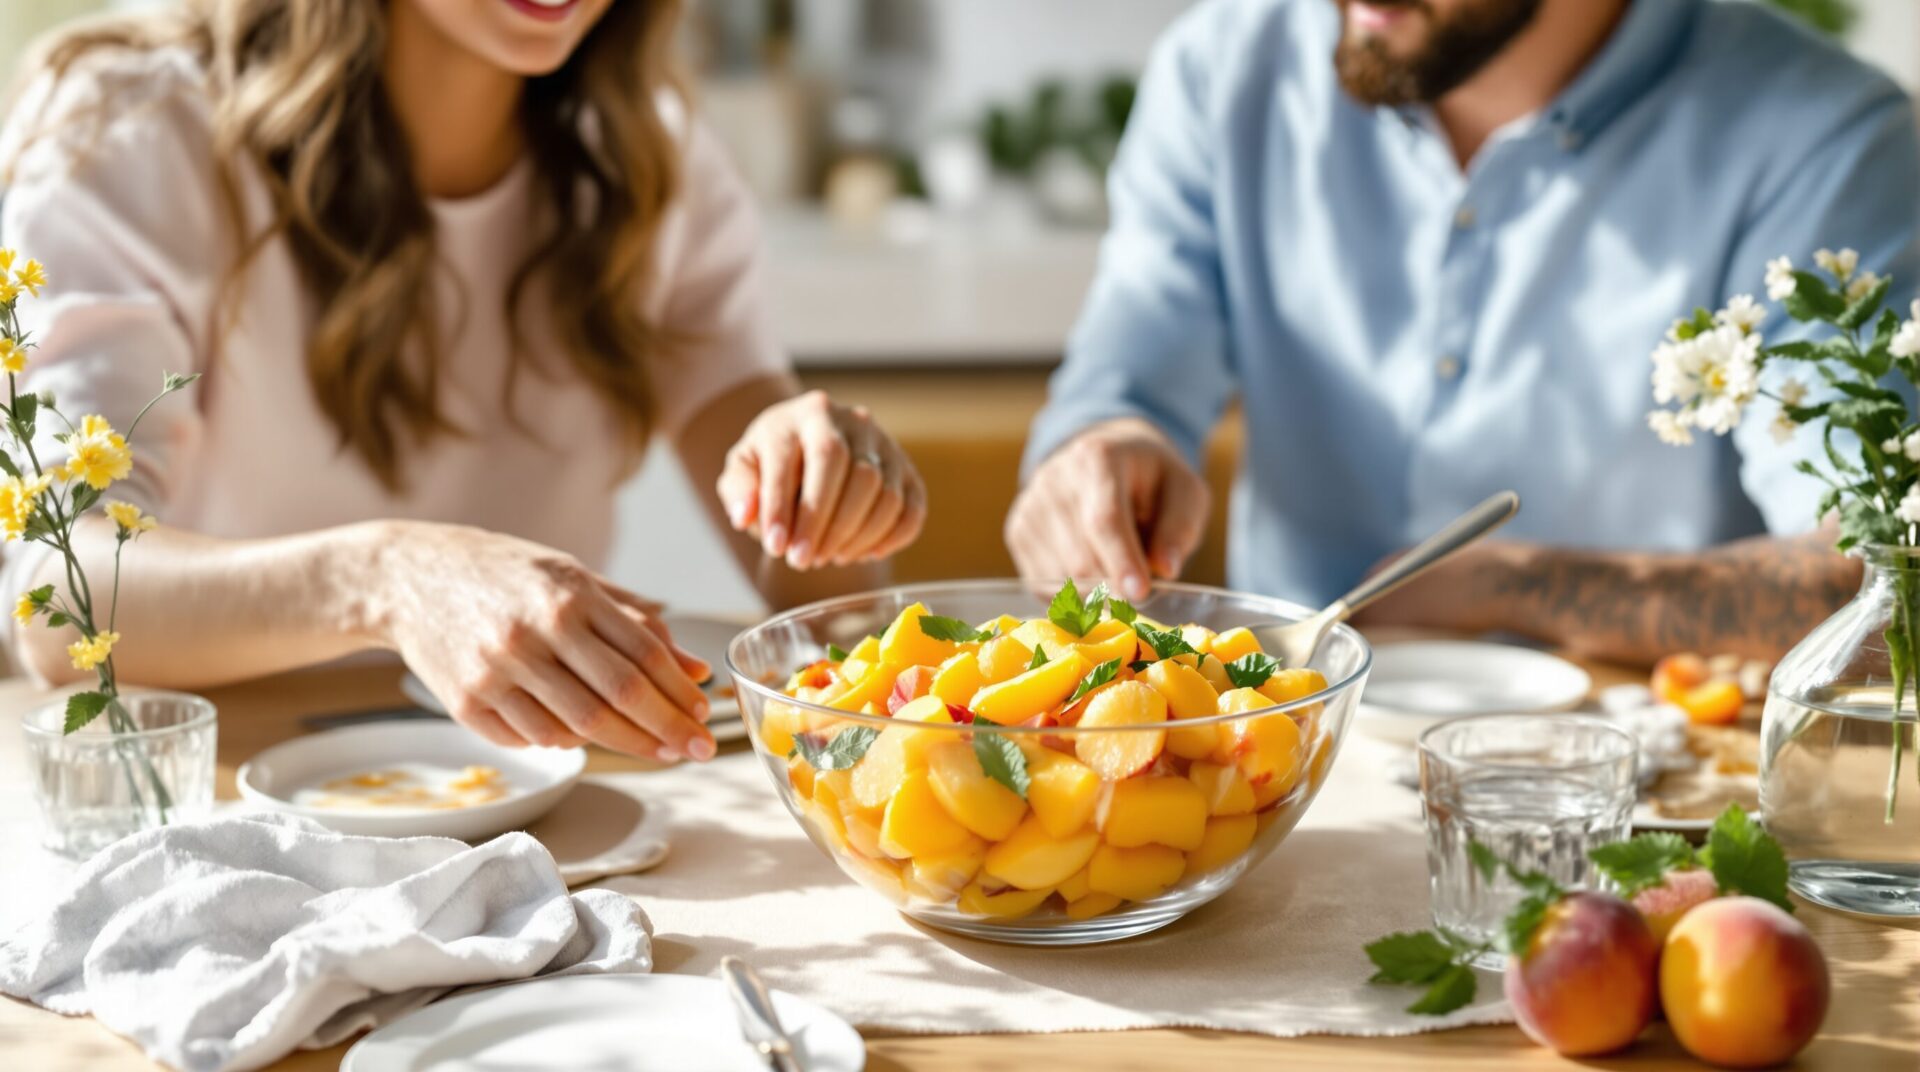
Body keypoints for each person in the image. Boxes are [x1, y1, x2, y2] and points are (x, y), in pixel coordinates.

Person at [0, 0, 927, 761]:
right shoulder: (132, 130)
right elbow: (56, 595)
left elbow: (809, 599)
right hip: (207, 795)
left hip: (537, 814)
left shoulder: (652, 159)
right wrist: (390, 581)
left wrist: (828, 489)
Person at [1007, 0, 1920, 663]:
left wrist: (1507, 584)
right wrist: (1103, 452)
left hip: (1648, 803)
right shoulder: (1224, 70)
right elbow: (1123, 380)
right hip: (1286, 786)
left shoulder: (1824, 142)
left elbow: (1881, 577)